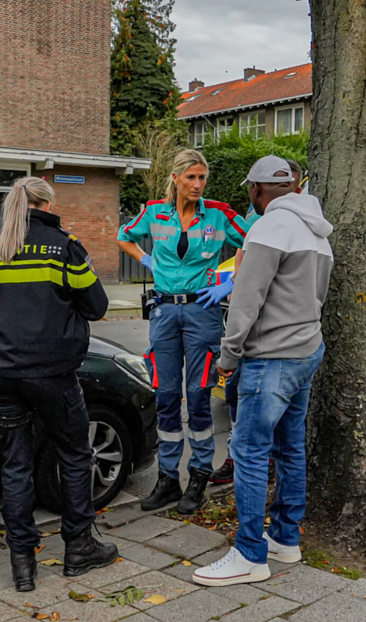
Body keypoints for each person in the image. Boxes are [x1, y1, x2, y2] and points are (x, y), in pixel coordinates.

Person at [0, 176, 117, 593]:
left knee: (15, 464)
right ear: (46, 204)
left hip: (0, 375)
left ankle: (22, 564)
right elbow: (97, 306)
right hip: (52, 374)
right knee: (75, 454)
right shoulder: (62, 247)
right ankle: (79, 546)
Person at [193, 157, 333, 586]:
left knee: (250, 452)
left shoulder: (268, 228)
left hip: (269, 357)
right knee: (290, 448)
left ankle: (250, 554)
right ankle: (285, 539)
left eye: (249, 191)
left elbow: (245, 300)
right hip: (305, 351)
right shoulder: (317, 230)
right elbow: (319, 294)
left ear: (256, 190)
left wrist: (228, 356)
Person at [117, 149, 247, 514]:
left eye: (202, 177)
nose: (198, 184)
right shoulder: (155, 212)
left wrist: (231, 281)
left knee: (200, 394)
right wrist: (145, 259)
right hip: (163, 310)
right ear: (175, 178)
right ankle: (168, 479)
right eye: (191, 177)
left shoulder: (220, 215)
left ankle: (200, 475)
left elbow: (255, 244)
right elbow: (123, 235)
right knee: (167, 395)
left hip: (201, 309)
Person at [211, 158, 303, 485]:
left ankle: (256, 468)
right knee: (237, 399)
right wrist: (236, 279)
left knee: (265, 423)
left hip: (269, 341)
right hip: (263, 337)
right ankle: (237, 458)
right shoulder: (257, 215)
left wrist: (229, 352)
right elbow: (242, 250)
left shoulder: (288, 221)